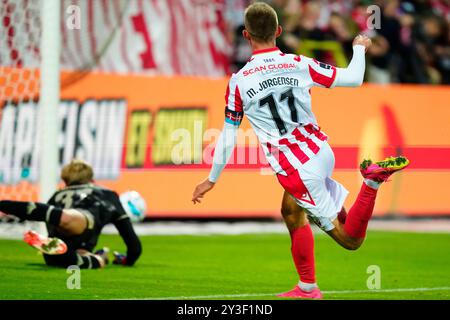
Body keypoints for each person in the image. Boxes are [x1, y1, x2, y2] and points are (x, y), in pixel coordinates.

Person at [192, 2, 409, 299]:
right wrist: (359, 47)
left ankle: (371, 182)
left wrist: (212, 179)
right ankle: (307, 287)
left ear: (246, 35)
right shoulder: (298, 63)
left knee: (350, 240)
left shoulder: (239, 82)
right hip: (320, 150)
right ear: (279, 31)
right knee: (291, 211)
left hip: (297, 169)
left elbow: (229, 137)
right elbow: (354, 78)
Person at [0, 159, 142, 269]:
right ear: (92, 179)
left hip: (58, 240)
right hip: (81, 224)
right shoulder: (107, 195)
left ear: (65, 181)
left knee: (62, 225)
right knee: (71, 221)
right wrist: (127, 260)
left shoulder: (56, 195)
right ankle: (94, 259)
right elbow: (134, 246)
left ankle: (65, 253)